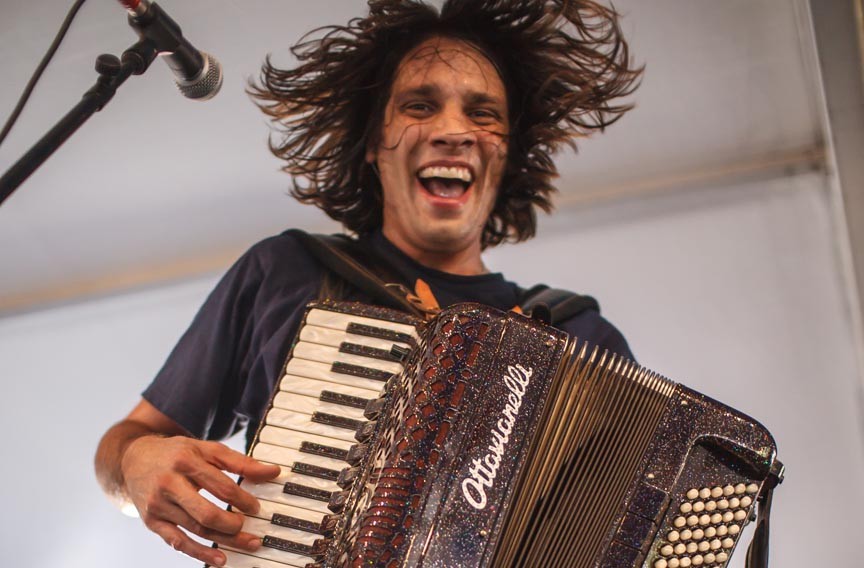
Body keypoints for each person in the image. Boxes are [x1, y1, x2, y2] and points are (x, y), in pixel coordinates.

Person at [94, 1, 642, 566]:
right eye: (420, 105)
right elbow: (126, 441)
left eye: (483, 113)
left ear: (506, 154)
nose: (453, 131)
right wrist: (135, 463)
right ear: (375, 143)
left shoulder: (583, 340)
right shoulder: (287, 271)